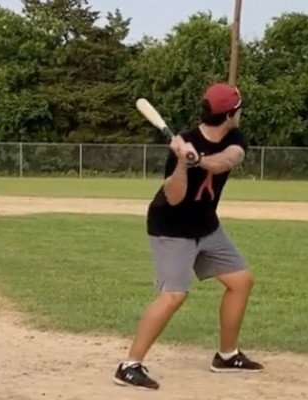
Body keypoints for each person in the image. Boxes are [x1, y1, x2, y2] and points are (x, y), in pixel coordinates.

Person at [113, 83, 264, 390]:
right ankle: (129, 365)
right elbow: (173, 195)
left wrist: (198, 160)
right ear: (230, 114)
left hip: (206, 225)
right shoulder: (185, 142)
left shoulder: (235, 138)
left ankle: (226, 355)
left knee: (241, 281)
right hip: (171, 228)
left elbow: (227, 161)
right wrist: (182, 162)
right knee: (174, 294)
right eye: (238, 110)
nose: (240, 114)